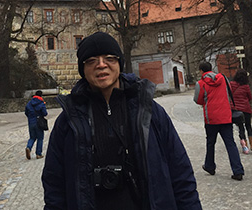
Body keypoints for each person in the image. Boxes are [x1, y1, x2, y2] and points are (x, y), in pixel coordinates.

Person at [42, 31, 201, 210]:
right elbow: (54, 183)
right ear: (82, 69)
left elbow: (180, 172)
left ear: (119, 63)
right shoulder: (69, 120)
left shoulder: (148, 111)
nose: (101, 65)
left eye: (109, 58)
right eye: (91, 61)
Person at [193, 61, 245, 181]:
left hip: (211, 118)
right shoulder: (223, 79)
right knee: (230, 143)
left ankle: (210, 166)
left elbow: (198, 100)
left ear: (201, 71)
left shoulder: (200, 84)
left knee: (210, 143)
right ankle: (238, 170)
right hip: (226, 116)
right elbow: (229, 93)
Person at [230, 69, 252, 153]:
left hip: (235, 109)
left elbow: (229, 95)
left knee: (241, 127)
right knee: (248, 126)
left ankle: (244, 146)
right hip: (246, 109)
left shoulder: (231, 84)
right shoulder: (246, 86)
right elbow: (250, 97)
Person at [24, 89, 48, 160]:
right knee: (40, 138)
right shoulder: (41, 103)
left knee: (32, 137)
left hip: (31, 122)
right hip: (39, 123)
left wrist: (31, 118)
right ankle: (38, 154)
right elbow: (45, 113)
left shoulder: (29, 103)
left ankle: (28, 147)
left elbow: (26, 112)